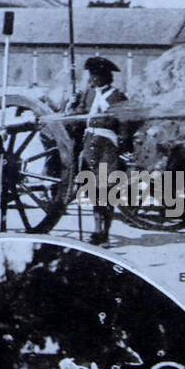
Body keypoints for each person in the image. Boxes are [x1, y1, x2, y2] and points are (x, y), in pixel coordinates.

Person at [69, 56, 129, 246]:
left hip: (107, 147)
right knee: (93, 191)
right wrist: (72, 105)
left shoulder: (117, 96)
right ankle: (96, 231)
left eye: (96, 75)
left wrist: (123, 142)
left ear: (105, 76)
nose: (92, 79)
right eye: (91, 75)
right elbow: (80, 114)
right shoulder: (88, 94)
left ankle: (105, 233)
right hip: (90, 145)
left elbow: (125, 123)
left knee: (107, 191)